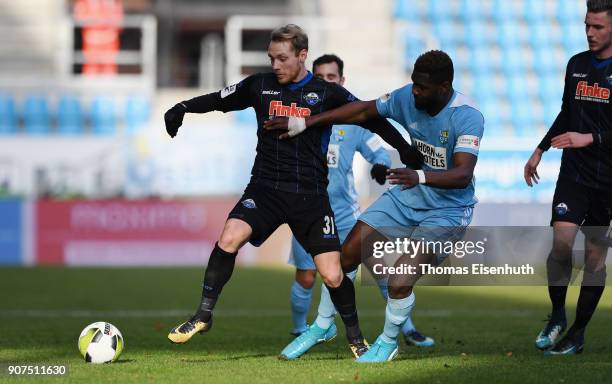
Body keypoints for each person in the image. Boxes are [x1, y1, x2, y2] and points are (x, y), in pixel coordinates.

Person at [163, 24, 422, 359]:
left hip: (310, 197)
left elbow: (369, 117)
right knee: (229, 238)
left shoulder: (324, 92)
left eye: (282, 58)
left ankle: (356, 339)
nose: (275, 65)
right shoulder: (259, 86)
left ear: (302, 56)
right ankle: (203, 314)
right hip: (266, 188)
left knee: (332, 274)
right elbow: (218, 99)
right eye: (271, 58)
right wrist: (182, 107)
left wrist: (404, 147)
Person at [266, 50, 483, 363]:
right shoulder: (407, 96)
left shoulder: (467, 115)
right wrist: (307, 122)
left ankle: (388, 341)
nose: (415, 91)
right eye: (414, 84)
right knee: (346, 255)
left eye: (422, 87)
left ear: (444, 87)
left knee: (399, 278)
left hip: (447, 209)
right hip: (408, 195)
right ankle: (323, 325)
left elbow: (462, 175)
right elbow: (364, 111)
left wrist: (419, 175)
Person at [283, 54, 434, 361]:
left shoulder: (352, 122)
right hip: (308, 212)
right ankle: (301, 329)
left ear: (342, 81)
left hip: (344, 213)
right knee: (307, 276)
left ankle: (407, 329)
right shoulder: (299, 120)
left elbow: (377, 152)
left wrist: (380, 167)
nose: (326, 82)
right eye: (320, 77)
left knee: (379, 269)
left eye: (332, 77)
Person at [524, 0, 612, 356]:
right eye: (587, 25)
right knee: (561, 244)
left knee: (594, 259)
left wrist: (591, 138)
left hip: (607, 181)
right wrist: (540, 148)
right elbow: (567, 112)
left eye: (598, 27)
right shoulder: (576, 64)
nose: (590, 33)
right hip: (574, 173)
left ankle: (577, 332)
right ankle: (558, 315)